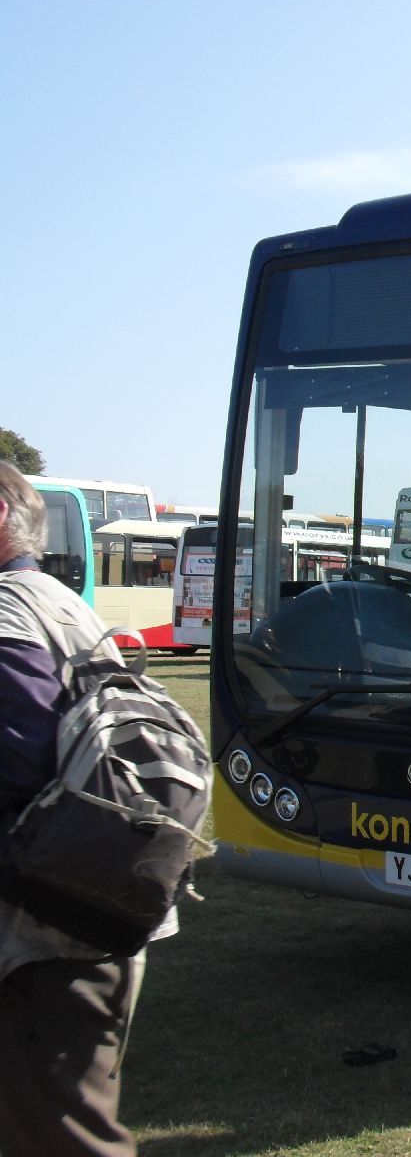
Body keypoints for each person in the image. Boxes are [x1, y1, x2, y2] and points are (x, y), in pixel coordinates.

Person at [0, 461, 154, 1156]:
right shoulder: (58, 600)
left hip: (41, 939)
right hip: (91, 910)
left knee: (61, 1137)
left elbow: (17, 773)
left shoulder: (8, 612)